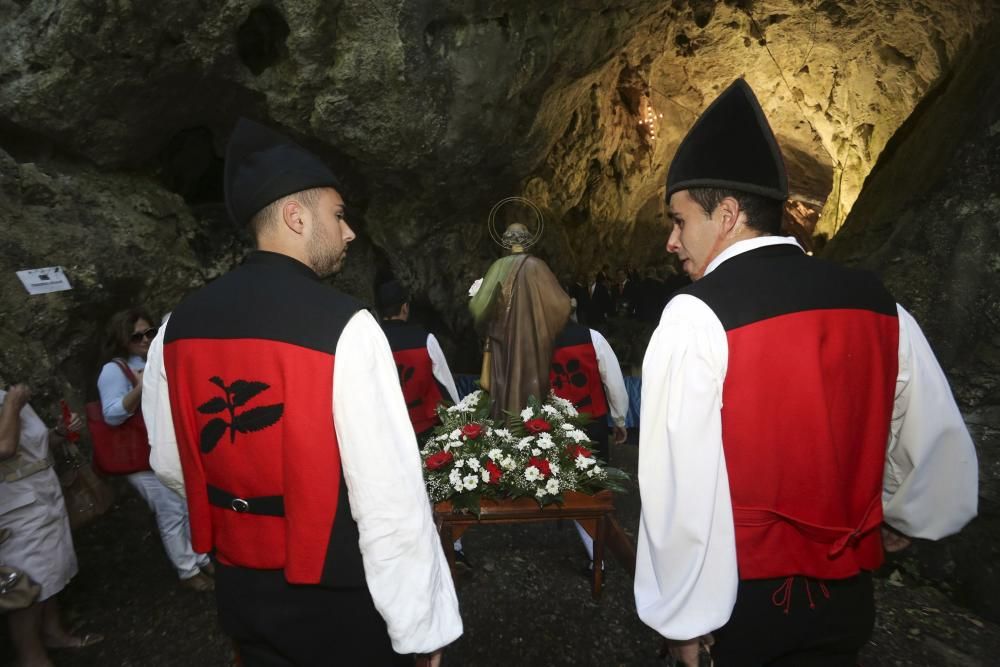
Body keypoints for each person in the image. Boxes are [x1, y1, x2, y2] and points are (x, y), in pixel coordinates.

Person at [633, 79, 979, 666]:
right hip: (848, 601)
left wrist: (684, 622)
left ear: (727, 215)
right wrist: (903, 516)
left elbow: (679, 489)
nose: (671, 241)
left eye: (679, 220)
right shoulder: (879, 304)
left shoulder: (696, 315)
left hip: (741, 606)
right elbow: (935, 439)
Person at [141, 118, 461, 666]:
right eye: (338, 217)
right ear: (296, 217)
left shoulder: (175, 327)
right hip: (334, 598)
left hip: (241, 590)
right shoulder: (347, 328)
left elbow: (170, 459)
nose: (349, 232)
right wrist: (420, 627)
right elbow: (388, 499)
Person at [97, 308, 214, 592]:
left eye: (150, 333)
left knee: (186, 504)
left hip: (165, 446)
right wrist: (139, 387)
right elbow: (111, 414)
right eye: (136, 336)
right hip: (140, 458)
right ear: (122, 339)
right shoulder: (115, 370)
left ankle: (200, 557)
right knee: (172, 511)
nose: (145, 339)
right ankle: (188, 570)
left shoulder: (156, 358)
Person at [1, 383, 103, 666]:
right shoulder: (11, 399)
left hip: (42, 493)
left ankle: (53, 633)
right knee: (26, 586)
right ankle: (30, 658)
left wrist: (58, 433)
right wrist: (12, 404)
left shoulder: (5, 396)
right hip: (14, 508)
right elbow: (4, 448)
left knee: (51, 571)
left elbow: (32, 445)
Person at [549, 319, 629, 572]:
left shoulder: (537, 338)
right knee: (593, 487)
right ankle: (598, 554)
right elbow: (613, 381)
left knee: (570, 485)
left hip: (556, 425)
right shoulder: (592, 336)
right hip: (592, 421)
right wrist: (620, 419)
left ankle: (595, 553)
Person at [469, 222, 571, 418]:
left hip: (503, 340)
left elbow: (477, 307)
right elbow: (561, 306)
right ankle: (531, 429)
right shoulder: (538, 266)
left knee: (505, 385)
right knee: (530, 384)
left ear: (506, 241)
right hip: (532, 341)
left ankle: (506, 430)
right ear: (528, 240)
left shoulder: (498, 267)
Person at [376, 280, 460, 442]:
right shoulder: (425, 340)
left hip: (388, 431)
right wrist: (458, 417)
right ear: (405, 307)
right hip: (425, 428)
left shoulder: (371, 342)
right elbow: (446, 382)